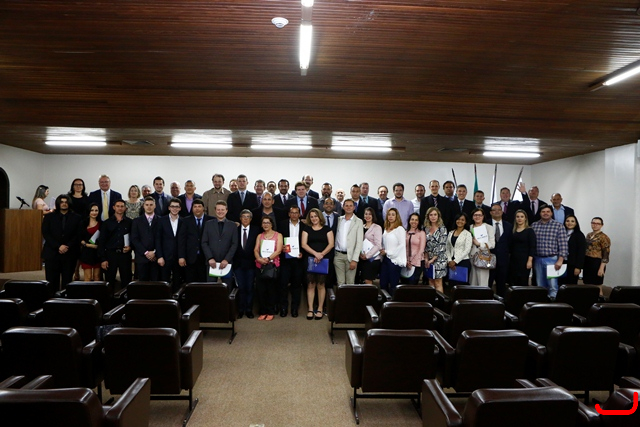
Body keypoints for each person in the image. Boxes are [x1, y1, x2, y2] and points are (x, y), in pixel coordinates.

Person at [41, 194, 81, 291]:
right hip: (52, 252)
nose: (64, 204)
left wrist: (67, 246)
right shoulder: (49, 217)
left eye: (66, 202)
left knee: (67, 281)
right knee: (51, 281)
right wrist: (58, 246)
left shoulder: (77, 217)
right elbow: (46, 233)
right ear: (58, 203)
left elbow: (78, 235)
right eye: (62, 202)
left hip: (69, 253)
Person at [301, 208, 334, 320]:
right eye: (311, 217)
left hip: (323, 260)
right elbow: (304, 244)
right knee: (310, 285)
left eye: (315, 216)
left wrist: (321, 254)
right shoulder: (307, 229)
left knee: (321, 285)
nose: (314, 218)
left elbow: (331, 244)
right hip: (310, 259)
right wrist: (316, 254)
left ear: (320, 217)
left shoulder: (327, 229)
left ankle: (320, 308)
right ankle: (310, 309)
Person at [531, 205, 568, 298]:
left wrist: (560, 260)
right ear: (540, 213)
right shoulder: (534, 225)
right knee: (540, 284)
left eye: (548, 211)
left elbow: (563, 244)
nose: (545, 213)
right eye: (543, 211)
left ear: (551, 213)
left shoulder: (558, 226)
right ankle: (542, 302)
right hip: (538, 259)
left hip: (552, 259)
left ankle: (553, 302)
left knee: (552, 285)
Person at [97, 199, 132, 291]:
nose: (120, 208)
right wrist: (103, 259)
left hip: (125, 255)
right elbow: (102, 242)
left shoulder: (130, 222)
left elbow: (133, 238)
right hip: (110, 255)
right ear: (114, 207)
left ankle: (125, 299)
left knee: (126, 280)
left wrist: (130, 247)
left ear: (125, 208)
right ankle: (109, 299)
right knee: (109, 281)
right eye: (118, 206)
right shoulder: (106, 223)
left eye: (122, 206)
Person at [202, 200, 238, 287]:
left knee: (227, 288)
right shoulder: (208, 224)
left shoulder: (232, 225)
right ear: (215, 210)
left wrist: (227, 259)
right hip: (211, 263)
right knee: (211, 288)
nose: (220, 212)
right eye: (218, 210)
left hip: (227, 263)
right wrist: (210, 258)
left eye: (222, 210)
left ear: (226, 210)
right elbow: (204, 242)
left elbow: (234, 244)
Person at [254, 216, 283, 321]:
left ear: (271, 224)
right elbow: (256, 249)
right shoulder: (259, 236)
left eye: (268, 223)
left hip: (272, 266)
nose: (266, 225)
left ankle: (270, 311)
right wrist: (259, 258)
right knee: (261, 290)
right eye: (264, 223)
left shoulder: (278, 235)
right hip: (260, 266)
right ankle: (263, 311)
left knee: (271, 290)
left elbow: (279, 250)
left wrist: (269, 258)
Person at [278, 206, 305, 317]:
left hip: (299, 260)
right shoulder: (282, 224)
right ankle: (283, 308)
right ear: (289, 214)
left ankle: (295, 309)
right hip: (285, 259)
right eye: (292, 212)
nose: (294, 214)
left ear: (299, 214)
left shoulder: (304, 226)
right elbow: (278, 239)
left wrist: (302, 252)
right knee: (283, 284)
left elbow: (306, 242)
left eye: (296, 212)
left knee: (296, 285)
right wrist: (281, 247)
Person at [178, 199, 213, 283]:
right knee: (190, 283)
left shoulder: (211, 220)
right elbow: (181, 239)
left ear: (203, 208)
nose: (197, 209)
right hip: (190, 258)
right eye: (195, 207)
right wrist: (181, 256)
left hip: (206, 258)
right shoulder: (185, 221)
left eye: (199, 206)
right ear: (192, 208)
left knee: (204, 283)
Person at [233, 210, 259, 318]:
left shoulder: (256, 230)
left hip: (251, 264)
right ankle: (240, 310)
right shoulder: (235, 229)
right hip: (238, 264)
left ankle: (249, 310)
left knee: (249, 287)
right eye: (243, 216)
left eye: (248, 217)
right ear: (240, 218)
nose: (245, 219)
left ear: (251, 219)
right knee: (241, 287)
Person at [156, 198, 185, 291]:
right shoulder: (161, 220)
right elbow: (158, 240)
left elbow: (184, 241)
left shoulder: (184, 221)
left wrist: (182, 256)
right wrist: (159, 256)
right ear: (169, 208)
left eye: (177, 207)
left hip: (178, 258)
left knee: (177, 282)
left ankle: (176, 299)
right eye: (172, 206)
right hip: (165, 257)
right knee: (164, 282)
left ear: (180, 208)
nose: (174, 208)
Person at [333, 199, 364, 285]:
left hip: (351, 256)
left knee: (350, 283)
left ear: (354, 207)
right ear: (343, 207)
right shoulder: (339, 219)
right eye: (346, 205)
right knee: (340, 283)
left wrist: (355, 259)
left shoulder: (358, 221)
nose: (348, 207)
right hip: (338, 256)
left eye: (351, 206)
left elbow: (359, 243)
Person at [130, 196, 160, 281]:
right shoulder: (136, 221)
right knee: (142, 284)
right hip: (141, 258)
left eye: (151, 205)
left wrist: (154, 252)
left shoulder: (160, 220)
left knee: (156, 283)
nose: (149, 207)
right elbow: (134, 239)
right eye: (147, 205)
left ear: (155, 206)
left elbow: (162, 238)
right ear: (143, 206)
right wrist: (146, 252)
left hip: (156, 257)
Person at [379, 208, 406, 295]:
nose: (390, 216)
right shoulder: (386, 228)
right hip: (385, 259)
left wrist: (388, 252)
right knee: (383, 283)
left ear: (396, 216)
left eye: (393, 215)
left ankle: (393, 302)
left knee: (393, 285)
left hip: (395, 260)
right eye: (389, 214)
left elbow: (402, 245)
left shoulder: (400, 229)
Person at [489, 203, 512, 297]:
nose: (497, 211)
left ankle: (501, 302)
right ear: (491, 212)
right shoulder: (486, 224)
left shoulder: (509, 226)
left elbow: (510, 242)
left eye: (499, 209)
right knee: (488, 283)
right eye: (494, 210)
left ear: (502, 212)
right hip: (488, 260)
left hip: (503, 260)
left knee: (501, 285)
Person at [509, 209, 537, 287]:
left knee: (523, 281)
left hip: (525, 260)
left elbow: (532, 246)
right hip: (513, 260)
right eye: (517, 217)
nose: (519, 218)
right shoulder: (513, 230)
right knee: (514, 281)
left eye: (522, 216)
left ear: (525, 218)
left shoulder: (529, 231)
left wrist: (530, 261)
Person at [583, 217, 611, 294]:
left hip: (597, 262)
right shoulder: (589, 235)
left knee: (597, 285)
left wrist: (601, 268)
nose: (595, 225)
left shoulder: (604, 237)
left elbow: (606, 254)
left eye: (598, 223)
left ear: (601, 225)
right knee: (587, 283)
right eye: (593, 223)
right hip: (587, 261)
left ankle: (599, 299)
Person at [469, 207, 495, 287]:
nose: (477, 217)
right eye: (475, 215)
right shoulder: (470, 227)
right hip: (471, 256)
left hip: (483, 257)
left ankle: (483, 295)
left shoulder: (489, 227)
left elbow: (492, 244)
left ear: (483, 216)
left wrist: (479, 244)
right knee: (472, 281)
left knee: (482, 282)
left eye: (480, 215)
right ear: (472, 217)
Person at [424, 207, 448, 292]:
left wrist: (433, 259)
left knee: (438, 282)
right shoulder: (426, 228)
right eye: (431, 215)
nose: (433, 217)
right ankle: (432, 299)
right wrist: (426, 259)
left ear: (438, 216)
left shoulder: (442, 228)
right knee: (431, 281)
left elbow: (442, 245)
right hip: (429, 258)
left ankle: (440, 300)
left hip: (439, 259)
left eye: (435, 214)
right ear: (428, 216)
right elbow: (425, 245)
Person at [446, 213, 473, 287]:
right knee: (452, 285)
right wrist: (450, 260)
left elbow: (467, 250)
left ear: (465, 222)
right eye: (458, 219)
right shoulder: (451, 233)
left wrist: (455, 261)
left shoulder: (468, 234)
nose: (460, 221)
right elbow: (447, 248)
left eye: (462, 220)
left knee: (461, 286)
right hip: (451, 263)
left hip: (463, 262)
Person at [358, 207, 382, 285]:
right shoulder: (361, 226)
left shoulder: (377, 227)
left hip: (372, 259)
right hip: (361, 258)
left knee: (368, 280)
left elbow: (378, 245)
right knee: (362, 280)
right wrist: (360, 254)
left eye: (370, 214)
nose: (367, 216)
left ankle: (370, 293)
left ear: (373, 216)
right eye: (366, 214)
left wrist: (367, 256)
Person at [559, 215, 585, 286]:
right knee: (560, 284)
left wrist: (578, 267)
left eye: (572, 221)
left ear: (576, 223)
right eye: (567, 221)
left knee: (571, 285)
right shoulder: (561, 233)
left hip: (573, 265)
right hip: (561, 263)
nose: (569, 223)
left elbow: (581, 252)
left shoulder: (579, 235)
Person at [79, 203, 102, 281]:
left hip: (98, 254)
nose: (94, 212)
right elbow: (79, 238)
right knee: (88, 277)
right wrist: (88, 245)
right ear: (88, 211)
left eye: (96, 210)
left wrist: (97, 246)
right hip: (86, 253)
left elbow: (104, 239)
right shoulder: (83, 223)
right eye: (92, 210)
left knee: (97, 277)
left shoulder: (102, 224)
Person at [403, 213, 426, 285]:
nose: (414, 221)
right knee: (405, 283)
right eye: (412, 219)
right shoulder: (405, 233)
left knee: (413, 283)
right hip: (406, 262)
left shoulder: (421, 233)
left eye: (416, 220)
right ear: (409, 221)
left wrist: (412, 262)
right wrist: (406, 261)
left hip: (417, 261)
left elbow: (421, 249)